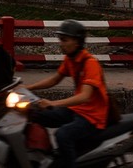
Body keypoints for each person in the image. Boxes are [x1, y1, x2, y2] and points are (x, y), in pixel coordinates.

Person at [24, 20, 110, 168]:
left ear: (76, 42)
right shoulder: (70, 59)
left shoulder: (90, 63)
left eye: (64, 40)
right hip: (78, 111)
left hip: (92, 116)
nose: (61, 44)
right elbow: (55, 79)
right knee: (34, 115)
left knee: (62, 135)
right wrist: (28, 87)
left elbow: (85, 96)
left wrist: (52, 103)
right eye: (60, 40)